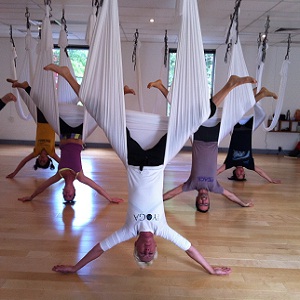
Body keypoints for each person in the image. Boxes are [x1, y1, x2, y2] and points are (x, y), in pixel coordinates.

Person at [45, 64, 254, 275]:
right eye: (149, 253)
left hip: (132, 160)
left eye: (142, 253)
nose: (146, 250)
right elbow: (189, 249)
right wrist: (210, 269)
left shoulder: (128, 230)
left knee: (102, 117)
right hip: (158, 161)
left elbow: (99, 249)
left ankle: (66, 75)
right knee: (193, 122)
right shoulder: (161, 228)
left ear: (135, 246)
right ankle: (230, 84)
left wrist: (75, 268)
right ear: (155, 248)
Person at [16, 74, 124, 205]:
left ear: (63, 191)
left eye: (65, 195)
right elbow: (96, 187)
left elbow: (42, 187)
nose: (67, 194)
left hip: (64, 132)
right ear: (74, 190)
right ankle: (121, 93)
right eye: (70, 195)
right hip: (79, 133)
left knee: (46, 109)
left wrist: (31, 197)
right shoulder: (80, 175)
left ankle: (27, 87)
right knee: (98, 113)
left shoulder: (59, 174)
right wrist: (109, 198)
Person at [157, 79, 256, 212]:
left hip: (197, 137)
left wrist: (156, 202)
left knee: (180, 113)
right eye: (206, 203)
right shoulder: (214, 187)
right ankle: (252, 93)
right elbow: (230, 195)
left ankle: (160, 86)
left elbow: (172, 193)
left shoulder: (191, 185)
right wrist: (242, 204)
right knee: (235, 114)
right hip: (214, 139)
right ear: (209, 201)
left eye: (201, 203)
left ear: (197, 200)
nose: (204, 200)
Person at [217, 87, 281, 183]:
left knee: (235, 111)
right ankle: (256, 94)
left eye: (238, 174)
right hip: (248, 128)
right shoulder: (248, 163)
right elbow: (259, 171)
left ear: (234, 172)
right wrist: (271, 180)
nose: (241, 172)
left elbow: (218, 171)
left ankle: (256, 94)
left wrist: (206, 180)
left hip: (235, 127)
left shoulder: (230, 162)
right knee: (262, 115)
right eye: (243, 175)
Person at [6, 79, 60, 178]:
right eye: (44, 161)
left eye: (40, 161)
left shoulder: (36, 151)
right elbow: (63, 163)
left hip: (41, 121)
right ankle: (34, 85)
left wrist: (14, 173)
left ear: (38, 158)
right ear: (48, 160)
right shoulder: (52, 152)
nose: (42, 160)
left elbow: (24, 161)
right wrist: (61, 175)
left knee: (39, 101)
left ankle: (27, 86)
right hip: (51, 122)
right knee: (52, 101)